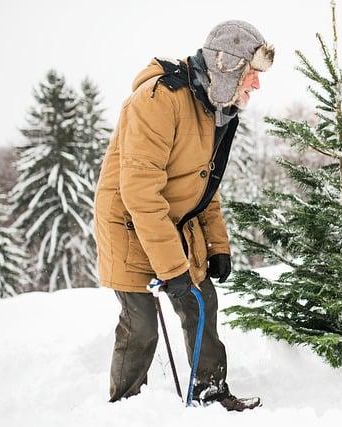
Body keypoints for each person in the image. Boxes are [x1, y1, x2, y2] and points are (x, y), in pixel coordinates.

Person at [93, 20, 274, 411]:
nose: (256, 85)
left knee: (200, 300)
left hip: (172, 220)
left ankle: (209, 390)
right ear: (227, 67)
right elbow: (141, 194)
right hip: (128, 222)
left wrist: (217, 246)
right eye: (251, 74)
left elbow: (203, 187)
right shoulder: (158, 100)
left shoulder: (214, 107)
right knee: (140, 323)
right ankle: (126, 408)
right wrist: (171, 269)